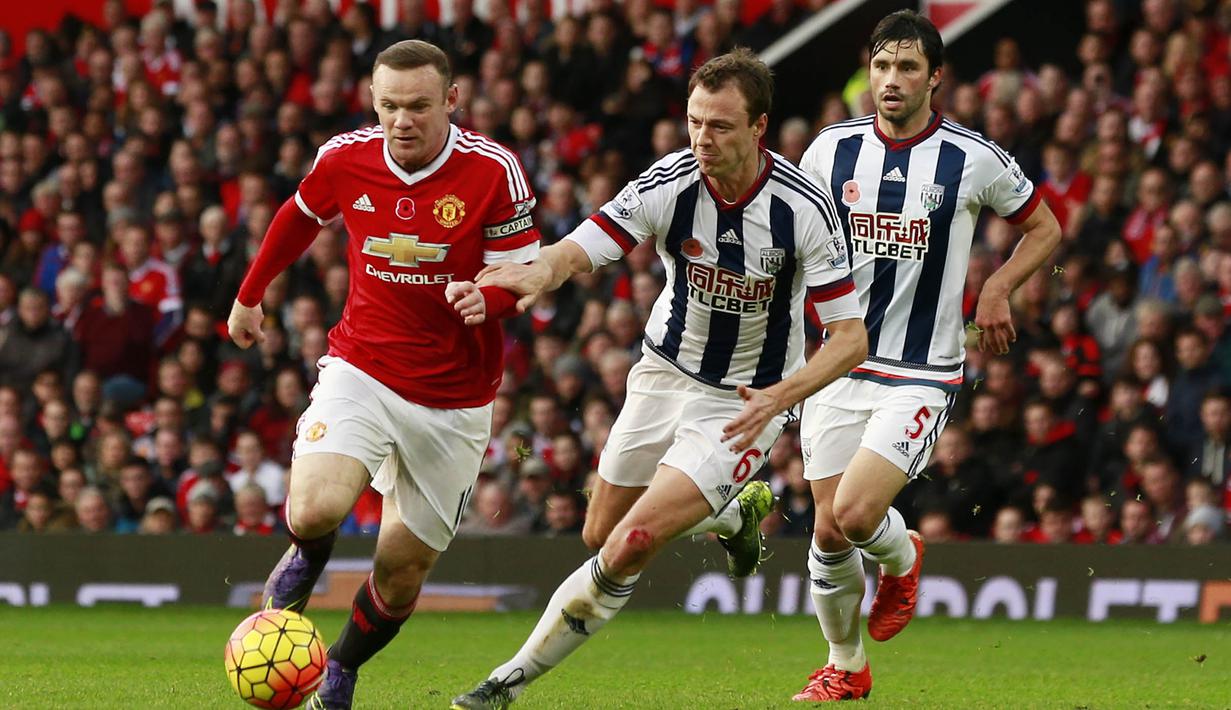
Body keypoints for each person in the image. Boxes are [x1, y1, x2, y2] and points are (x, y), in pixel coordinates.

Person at [451, 48, 867, 710]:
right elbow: (580, 247)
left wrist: (780, 401)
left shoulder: (802, 208)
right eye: (694, 122)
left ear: (759, 128)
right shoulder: (670, 182)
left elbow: (850, 338)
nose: (702, 138)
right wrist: (535, 272)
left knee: (631, 544)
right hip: (660, 375)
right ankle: (733, 519)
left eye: (720, 126)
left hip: (744, 403)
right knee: (599, 535)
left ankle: (507, 682)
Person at [225, 40, 539, 709]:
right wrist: (250, 295)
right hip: (361, 367)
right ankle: (307, 558)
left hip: (454, 400)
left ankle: (338, 667)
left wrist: (493, 298)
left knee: (399, 576)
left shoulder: (493, 171)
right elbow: (298, 216)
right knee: (311, 509)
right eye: (390, 105)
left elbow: (525, 272)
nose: (403, 119)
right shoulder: (344, 156)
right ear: (373, 101)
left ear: (450, 101)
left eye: (419, 105)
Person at [792, 10, 1061, 701]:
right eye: (882, 65)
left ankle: (902, 552)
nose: (891, 79)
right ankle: (844, 667)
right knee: (824, 534)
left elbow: (1043, 227)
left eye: (907, 67)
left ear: (934, 78)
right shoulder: (829, 150)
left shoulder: (971, 158)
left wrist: (998, 286)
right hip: (837, 363)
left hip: (919, 372)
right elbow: (794, 237)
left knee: (855, 516)